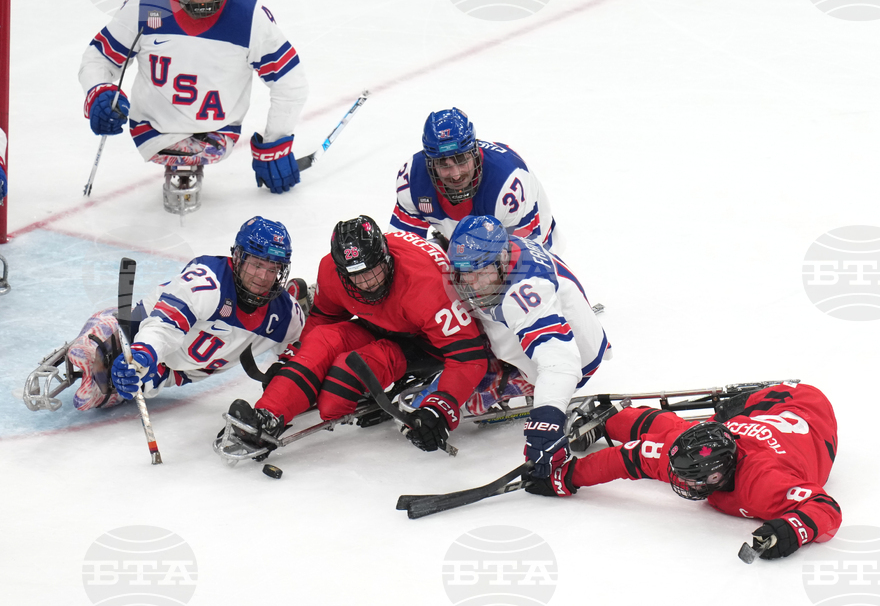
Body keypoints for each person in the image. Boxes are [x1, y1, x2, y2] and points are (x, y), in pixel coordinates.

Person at [78, 0, 308, 215]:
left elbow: (290, 81)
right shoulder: (147, 7)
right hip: (151, 132)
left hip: (218, 135)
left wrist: (276, 142)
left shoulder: (249, 18)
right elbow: (99, 57)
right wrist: (100, 92)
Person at [226, 216, 488, 454]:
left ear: (386, 258)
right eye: (355, 276)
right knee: (320, 341)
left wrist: (441, 408)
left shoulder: (427, 285)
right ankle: (266, 416)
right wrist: (293, 363)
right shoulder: (331, 270)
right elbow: (325, 319)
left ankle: (316, 389)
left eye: (372, 271)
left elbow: (469, 356)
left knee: (335, 397)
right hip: (381, 323)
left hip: (426, 342)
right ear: (340, 270)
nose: (367, 283)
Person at [526, 381, 842, 561]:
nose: (681, 482)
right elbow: (627, 458)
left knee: (677, 426)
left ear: (719, 472)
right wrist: (566, 476)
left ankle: (739, 404)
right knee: (673, 430)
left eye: (693, 478)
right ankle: (612, 419)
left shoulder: (764, 482)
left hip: (806, 404)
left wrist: (790, 530)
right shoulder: (688, 458)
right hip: (763, 420)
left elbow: (825, 507)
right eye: (682, 474)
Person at [24, 216, 305, 411]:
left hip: (171, 373)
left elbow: (305, 348)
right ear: (239, 257)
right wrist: (144, 353)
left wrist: (288, 373)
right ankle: (108, 324)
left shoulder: (285, 316)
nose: (263, 277)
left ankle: (305, 294)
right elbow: (164, 326)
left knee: (88, 398)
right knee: (92, 355)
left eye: (273, 269)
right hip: (137, 331)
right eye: (256, 264)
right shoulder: (208, 281)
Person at [445, 214, 611, 478]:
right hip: (559, 322)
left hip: (575, 357)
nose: (473, 284)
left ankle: (521, 380)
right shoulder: (503, 251)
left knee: (468, 396)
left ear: (499, 261)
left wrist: (546, 419)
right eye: (467, 272)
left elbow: (560, 363)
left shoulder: (524, 292)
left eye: (482, 272)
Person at [390, 108, 560, 252]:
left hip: (536, 245)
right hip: (460, 247)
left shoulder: (508, 185)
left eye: (461, 160)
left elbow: (525, 261)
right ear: (430, 163)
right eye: (444, 164)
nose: (456, 175)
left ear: (474, 152)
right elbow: (403, 250)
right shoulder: (413, 178)